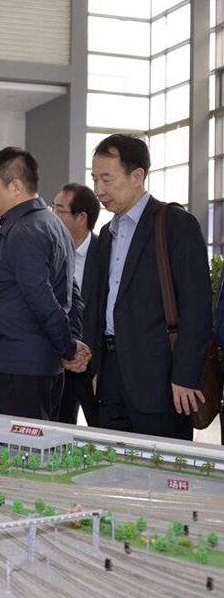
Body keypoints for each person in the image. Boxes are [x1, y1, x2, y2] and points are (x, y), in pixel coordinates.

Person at [92, 134, 210, 440]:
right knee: (112, 461)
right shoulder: (106, 234)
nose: (99, 190)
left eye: (107, 179)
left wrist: (185, 376)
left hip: (162, 379)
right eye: (94, 179)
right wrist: (97, 369)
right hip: (111, 376)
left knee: (160, 464)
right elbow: (101, 303)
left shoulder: (175, 224)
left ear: (137, 177)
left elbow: (197, 308)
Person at [0, 146, 89, 421]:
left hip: (19, 366)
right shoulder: (52, 223)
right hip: (38, 363)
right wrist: (70, 342)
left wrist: (68, 348)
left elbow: (41, 298)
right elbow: (72, 293)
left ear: (16, 186)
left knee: (16, 444)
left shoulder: (24, 231)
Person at [51, 183, 102, 426]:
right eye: (52, 207)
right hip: (58, 363)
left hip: (95, 366)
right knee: (59, 431)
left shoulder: (106, 252)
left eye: (59, 210)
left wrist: (89, 359)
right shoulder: (49, 252)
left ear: (81, 217)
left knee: (102, 433)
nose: (52, 215)